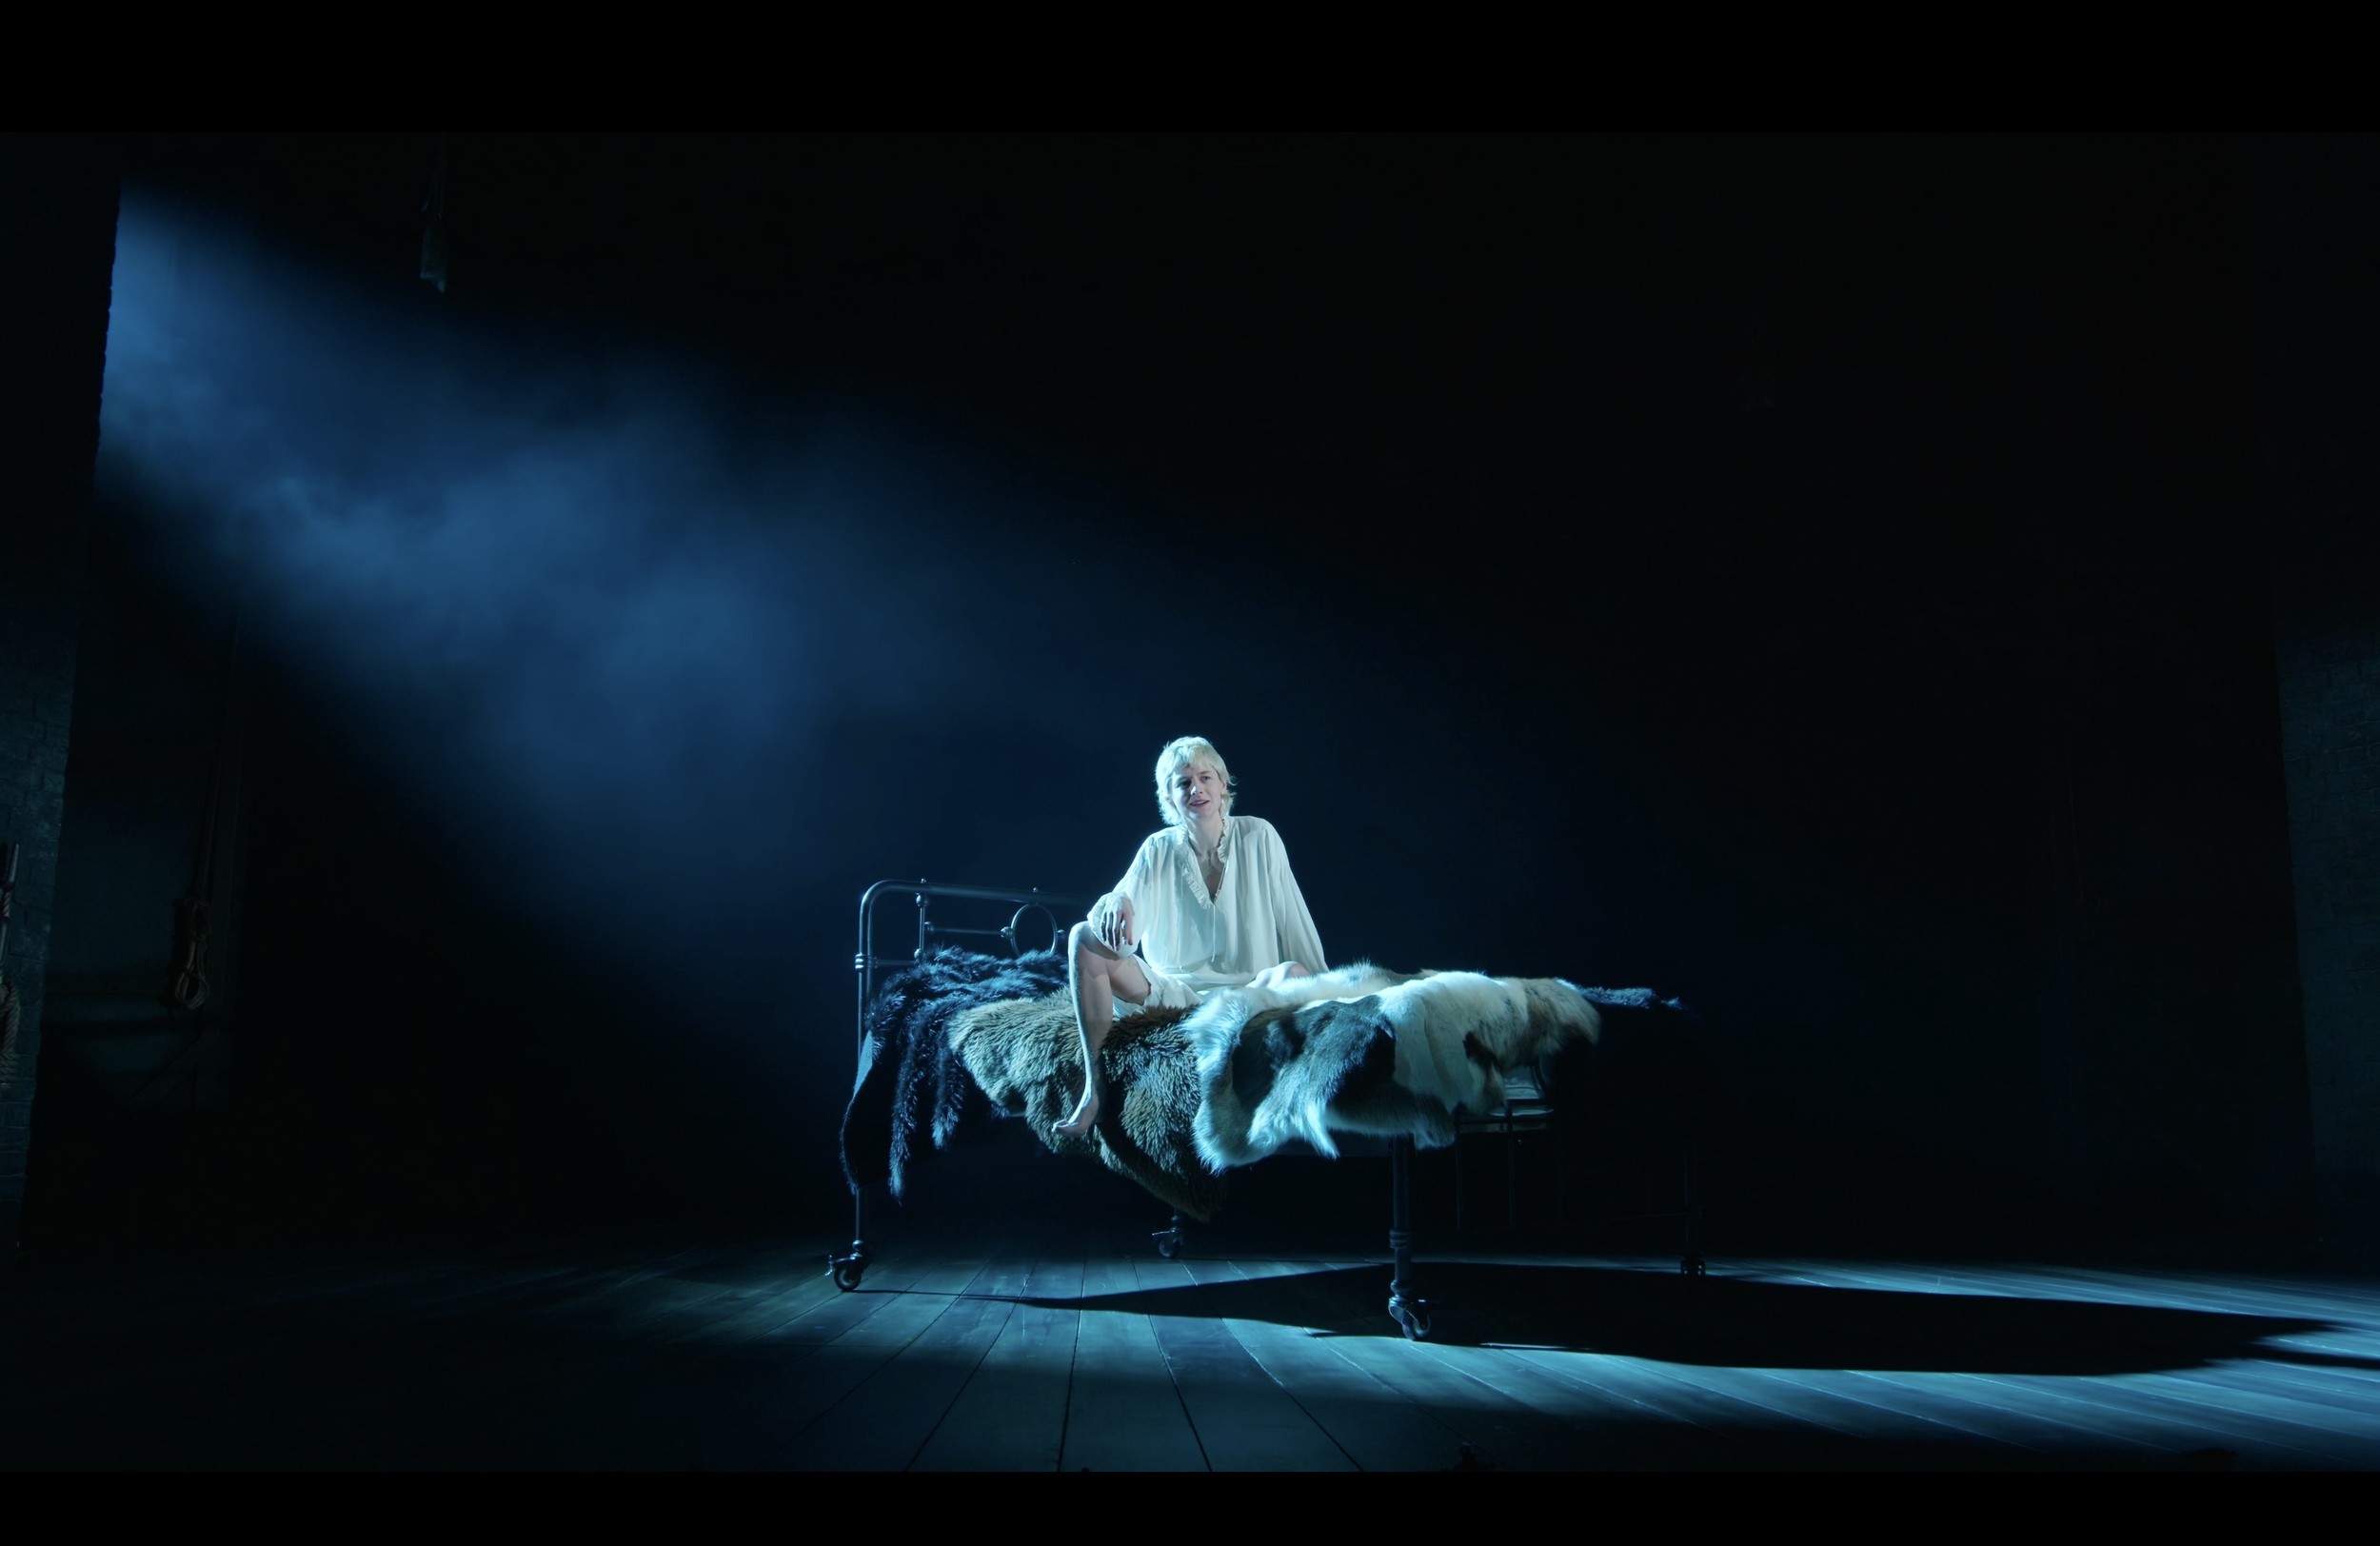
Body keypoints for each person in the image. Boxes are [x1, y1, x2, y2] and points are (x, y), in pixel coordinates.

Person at [1055, 736, 1326, 1135]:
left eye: (1205, 777)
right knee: (1082, 935)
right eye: (1182, 782)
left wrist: (1333, 991)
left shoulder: (1259, 836)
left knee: (1295, 973)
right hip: (1172, 997)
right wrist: (1114, 898)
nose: (1195, 788)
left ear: (1222, 786)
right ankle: (1095, 1089)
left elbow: (1293, 919)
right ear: (1169, 795)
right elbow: (1120, 934)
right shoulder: (1157, 848)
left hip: (1247, 995)